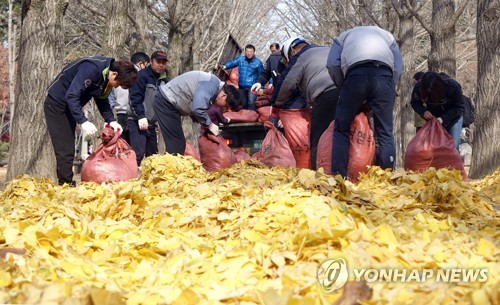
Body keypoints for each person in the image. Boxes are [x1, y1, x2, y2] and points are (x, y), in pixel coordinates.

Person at [44, 56, 138, 186]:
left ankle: (66, 182)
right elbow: (71, 95)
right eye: (119, 84)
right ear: (114, 74)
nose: (117, 87)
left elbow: (101, 98)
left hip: (71, 106)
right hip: (57, 104)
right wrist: (83, 121)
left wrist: (111, 120)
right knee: (65, 148)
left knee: (68, 147)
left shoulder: (107, 77)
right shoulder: (91, 69)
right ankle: (65, 185)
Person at [326, 25, 403, 178]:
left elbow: (332, 64)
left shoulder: (342, 37)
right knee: (385, 132)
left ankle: (340, 176)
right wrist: (389, 86)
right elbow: (399, 68)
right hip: (384, 76)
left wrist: (343, 87)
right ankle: (387, 177)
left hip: (355, 75)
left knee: (341, 128)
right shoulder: (387, 36)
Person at [270, 37, 339, 169]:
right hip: (349, 93)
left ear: (293, 51)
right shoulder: (329, 50)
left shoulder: (301, 56)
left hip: (326, 97)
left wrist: (277, 103)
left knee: (319, 140)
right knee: (343, 136)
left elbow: (287, 83)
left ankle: (318, 179)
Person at [154, 71, 240, 155]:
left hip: (170, 105)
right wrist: (210, 125)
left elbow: (196, 109)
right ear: (223, 96)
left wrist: (205, 125)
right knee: (176, 145)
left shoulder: (213, 87)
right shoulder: (212, 85)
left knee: (178, 144)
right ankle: (171, 168)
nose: (223, 108)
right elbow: (197, 109)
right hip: (166, 102)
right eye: (225, 106)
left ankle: (172, 166)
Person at [129, 50, 168, 165]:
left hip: (151, 124)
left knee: (153, 156)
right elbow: (135, 97)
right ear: (151, 61)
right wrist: (140, 116)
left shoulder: (163, 80)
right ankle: (130, 180)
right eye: (158, 62)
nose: (161, 65)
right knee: (137, 153)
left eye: (163, 62)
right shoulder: (142, 76)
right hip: (137, 121)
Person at [411, 71, 464, 149]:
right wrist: (423, 112)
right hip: (434, 119)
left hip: (454, 118)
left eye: (432, 91)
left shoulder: (453, 87)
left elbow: (459, 107)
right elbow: (415, 103)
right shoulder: (419, 87)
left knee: (453, 146)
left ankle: (453, 160)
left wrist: (443, 119)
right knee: (434, 147)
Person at [108, 52, 151, 143]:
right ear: (141, 63)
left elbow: (111, 97)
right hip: (134, 115)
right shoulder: (138, 76)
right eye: (147, 65)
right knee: (135, 145)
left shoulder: (119, 73)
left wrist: (110, 116)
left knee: (123, 144)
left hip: (120, 113)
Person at [222, 44, 263, 111]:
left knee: (251, 103)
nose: (249, 53)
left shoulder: (258, 63)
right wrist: (225, 66)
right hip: (241, 86)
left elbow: (261, 75)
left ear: (254, 52)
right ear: (245, 52)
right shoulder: (241, 59)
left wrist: (261, 88)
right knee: (243, 103)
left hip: (252, 87)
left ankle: (251, 118)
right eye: (247, 51)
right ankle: (245, 118)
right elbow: (233, 62)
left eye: (250, 52)